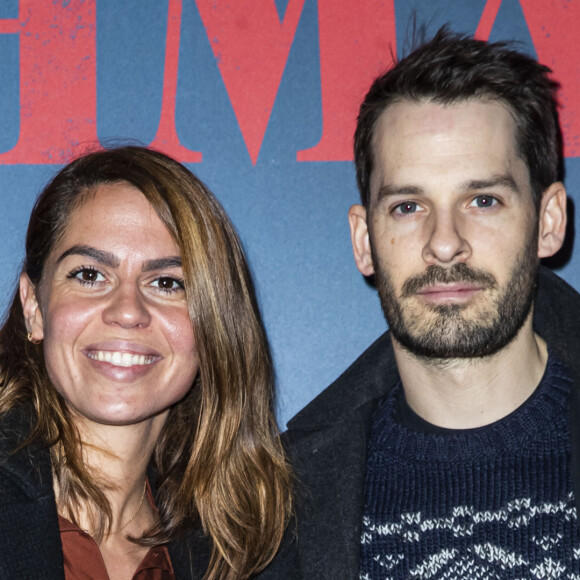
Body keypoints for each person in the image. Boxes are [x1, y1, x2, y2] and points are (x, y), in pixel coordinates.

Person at [257, 29, 580, 579]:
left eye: (483, 200)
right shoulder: (278, 510)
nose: (445, 241)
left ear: (548, 222)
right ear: (364, 241)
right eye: (408, 206)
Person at [0, 146, 292, 580]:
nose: (128, 310)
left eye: (166, 282)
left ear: (213, 325)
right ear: (34, 308)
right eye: (89, 275)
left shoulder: (249, 548)